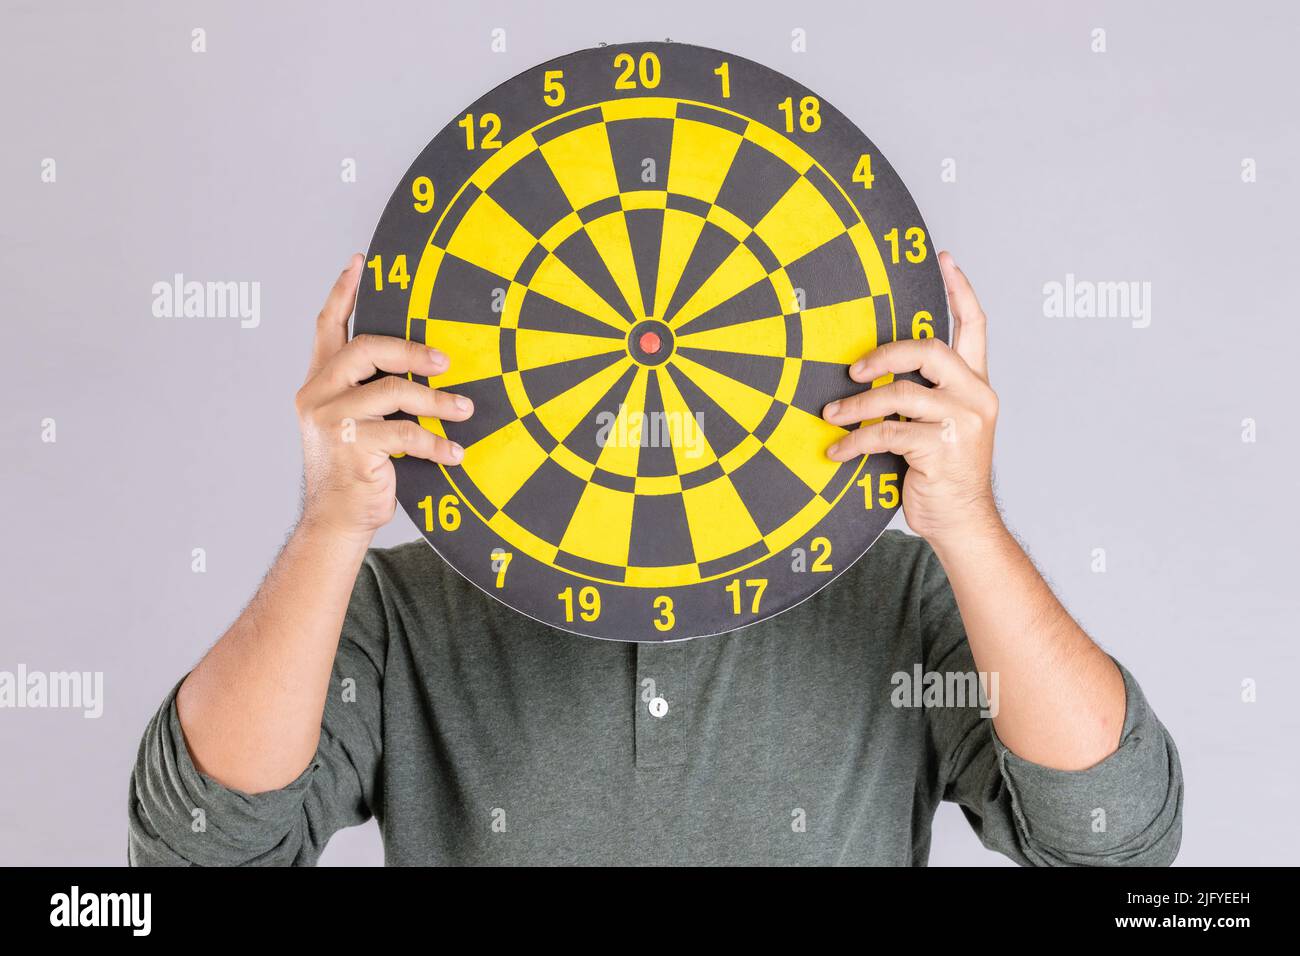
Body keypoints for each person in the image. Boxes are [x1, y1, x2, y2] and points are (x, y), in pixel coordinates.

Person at [128, 251, 1182, 866]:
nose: (654, 354)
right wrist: (328, 525)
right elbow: (196, 851)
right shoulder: (403, 608)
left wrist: (967, 523)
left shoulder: (902, 597)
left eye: (701, 318)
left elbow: (1116, 840)